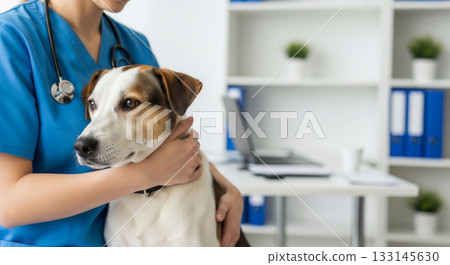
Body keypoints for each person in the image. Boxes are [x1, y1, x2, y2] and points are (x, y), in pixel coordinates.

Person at [0, 0, 243, 247]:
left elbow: (169, 132)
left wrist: (225, 188)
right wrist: (142, 175)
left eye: (128, 104)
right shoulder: (10, 38)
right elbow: (6, 204)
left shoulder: (133, 44)